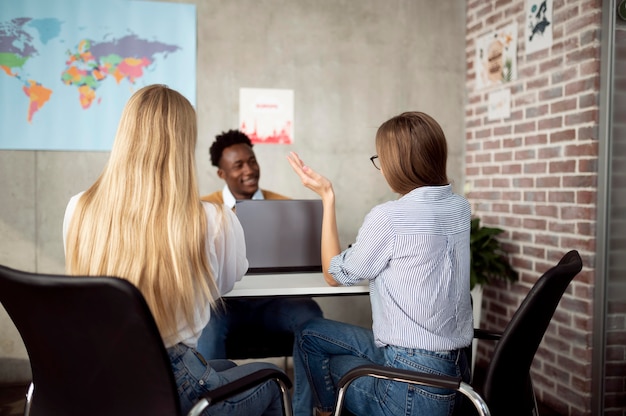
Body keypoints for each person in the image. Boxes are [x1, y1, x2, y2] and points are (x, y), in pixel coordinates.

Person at [63, 85, 285, 416]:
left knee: (220, 363)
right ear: (183, 144)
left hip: (96, 378)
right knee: (275, 380)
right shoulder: (212, 219)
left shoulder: (77, 208)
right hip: (173, 382)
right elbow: (222, 285)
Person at [287, 111, 474, 416]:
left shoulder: (389, 217)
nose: (381, 167)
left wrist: (327, 196)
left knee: (330, 364)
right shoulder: (460, 207)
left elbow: (334, 274)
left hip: (411, 386)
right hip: (453, 372)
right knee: (310, 332)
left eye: (381, 159)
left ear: (399, 163)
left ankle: (323, 412)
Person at [197, 130, 323, 361]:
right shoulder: (204, 209)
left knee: (310, 315)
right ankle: (213, 396)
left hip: (273, 301)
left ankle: (309, 399)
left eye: (252, 161)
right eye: (238, 165)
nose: (249, 170)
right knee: (205, 323)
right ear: (222, 173)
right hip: (223, 304)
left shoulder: (284, 205)